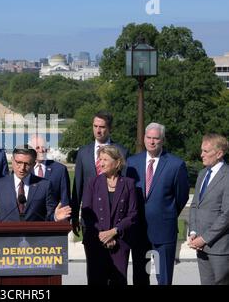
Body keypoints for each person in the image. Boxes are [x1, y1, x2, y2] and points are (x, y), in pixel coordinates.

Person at [126, 122, 189, 285]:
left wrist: (165, 214)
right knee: (141, 276)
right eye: (149, 137)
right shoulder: (132, 163)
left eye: (156, 138)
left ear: (163, 140)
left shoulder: (175, 164)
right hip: (138, 230)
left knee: (163, 277)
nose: (152, 142)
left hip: (163, 232)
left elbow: (181, 197)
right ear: (144, 138)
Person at [81, 145, 137, 285]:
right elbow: (87, 212)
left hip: (119, 242)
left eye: (105, 159)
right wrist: (103, 235)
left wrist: (113, 232)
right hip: (95, 241)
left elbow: (133, 214)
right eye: (100, 159)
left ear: (117, 162)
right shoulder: (92, 182)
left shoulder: (129, 184)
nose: (101, 163)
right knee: (96, 281)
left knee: (118, 281)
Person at [0, 145, 71, 223]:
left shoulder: (44, 185)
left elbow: (49, 215)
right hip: (6, 241)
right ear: (12, 161)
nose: (22, 168)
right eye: (18, 162)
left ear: (33, 164)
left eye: (26, 164)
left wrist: (55, 217)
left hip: (35, 242)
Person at [71, 111, 128, 235]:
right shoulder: (83, 152)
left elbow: (125, 187)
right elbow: (77, 187)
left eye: (102, 127)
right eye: (95, 126)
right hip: (89, 216)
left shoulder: (122, 152)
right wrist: (74, 216)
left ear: (109, 128)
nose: (98, 130)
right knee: (92, 254)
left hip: (114, 216)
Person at [188, 133, 229, 285]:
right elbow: (195, 205)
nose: (201, 155)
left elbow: (227, 215)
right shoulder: (202, 174)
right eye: (201, 150)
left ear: (219, 154)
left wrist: (204, 239)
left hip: (220, 248)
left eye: (206, 151)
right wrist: (193, 232)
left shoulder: (227, 176)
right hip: (200, 246)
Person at [29, 134, 70, 207]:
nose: (41, 150)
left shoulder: (60, 170)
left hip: (53, 216)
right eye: (37, 148)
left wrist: (65, 217)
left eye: (43, 147)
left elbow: (65, 199)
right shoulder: (25, 169)